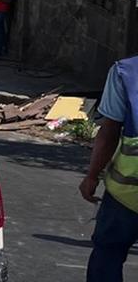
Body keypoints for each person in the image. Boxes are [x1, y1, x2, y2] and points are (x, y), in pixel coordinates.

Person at [81, 56, 138, 281]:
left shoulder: (126, 72)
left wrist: (92, 176)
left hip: (126, 193)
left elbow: (109, 132)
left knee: (108, 256)